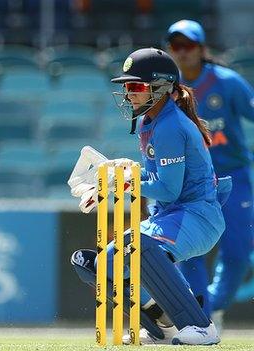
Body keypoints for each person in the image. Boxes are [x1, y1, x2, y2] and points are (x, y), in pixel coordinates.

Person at [69, 48, 231, 345]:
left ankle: (200, 326)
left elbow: (169, 189)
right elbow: (152, 178)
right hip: (171, 215)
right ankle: (163, 326)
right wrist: (112, 179)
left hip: (197, 216)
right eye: (127, 87)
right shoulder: (150, 121)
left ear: (161, 87)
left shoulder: (171, 125)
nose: (129, 94)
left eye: (137, 87)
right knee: (98, 265)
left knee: (137, 244)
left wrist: (125, 183)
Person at [166, 19, 254, 330]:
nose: (183, 52)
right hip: (191, 183)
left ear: (202, 49)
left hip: (233, 177)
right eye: (176, 46)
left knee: (238, 253)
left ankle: (213, 305)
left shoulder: (227, 82)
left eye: (188, 45)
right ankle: (198, 316)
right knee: (190, 251)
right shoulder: (166, 87)